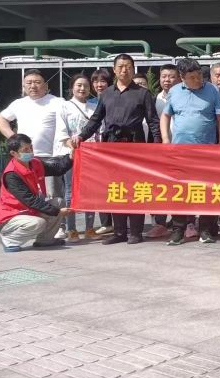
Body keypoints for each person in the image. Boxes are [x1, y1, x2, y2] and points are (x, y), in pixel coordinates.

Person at [74, 54, 161, 245]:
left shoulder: (143, 93)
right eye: (120, 66)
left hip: (135, 146)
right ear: (114, 70)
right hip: (111, 147)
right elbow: (96, 120)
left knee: (136, 189)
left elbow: (153, 121)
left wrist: (157, 147)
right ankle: (119, 232)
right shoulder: (107, 94)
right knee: (116, 189)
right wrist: (81, 136)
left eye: (128, 66)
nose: (124, 70)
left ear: (133, 69)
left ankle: (136, 232)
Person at [161, 58, 220, 245]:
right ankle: (178, 230)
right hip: (180, 152)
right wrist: (166, 140)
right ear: (182, 77)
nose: (198, 80)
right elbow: (165, 116)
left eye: (199, 76)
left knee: (207, 191)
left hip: (207, 151)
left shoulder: (212, 90)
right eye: (192, 78)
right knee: (180, 191)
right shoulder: (174, 91)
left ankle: (205, 229)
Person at [0, 69, 66, 201]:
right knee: (28, 194)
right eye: (28, 83)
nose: (33, 86)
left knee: (53, 197)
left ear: (46, 85)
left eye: (37, 82)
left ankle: (56, 215)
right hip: (24, 158)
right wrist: (14, 138)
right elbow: (1, 119)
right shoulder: (18, 104)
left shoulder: (58, 102)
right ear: (24, 86)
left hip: (50, 158)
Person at [0, 134, 74, 252]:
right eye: (25, 150)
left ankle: (46, 240)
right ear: (13, 153)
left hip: (29, 212)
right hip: (10, 218)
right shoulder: (11, 174)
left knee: (58, 202)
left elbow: (57, 169)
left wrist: (71, 157)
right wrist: (57, 212)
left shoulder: (35, 163)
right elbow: (30, 200)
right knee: (39, 223)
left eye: (30, 147)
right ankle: (8, 239)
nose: (30, 151)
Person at [53, 74, 99, 241]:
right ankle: (71, 229)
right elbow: (61, 132)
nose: (82, 88)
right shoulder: (64, 107)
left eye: (85, 85)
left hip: (91, 156)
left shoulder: (95, 107)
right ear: (72, 87)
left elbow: (99, 131)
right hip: (71, 155)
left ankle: (89, 228)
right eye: (78, 85)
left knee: (90, 191)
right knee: (70, 191)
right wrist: (71, 146)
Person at [145, 64, 181, 239]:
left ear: (179, 78)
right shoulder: (154, 100)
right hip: (161, 150)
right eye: (164, 76)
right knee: (159, 187)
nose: (167, 80)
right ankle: (159, 223)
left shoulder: (184, 96)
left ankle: (182, 222)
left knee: (180, 187)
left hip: (181, 149)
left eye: (171, 76)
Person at [88, 69, 114, 235]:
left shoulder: (114, 99)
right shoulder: (89, 103)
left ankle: (119, 220)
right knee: (99, 187)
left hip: (110, 147)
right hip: (94, 149)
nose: (99, 84)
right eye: (96, 81)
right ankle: (105, 222)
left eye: (103, 81)